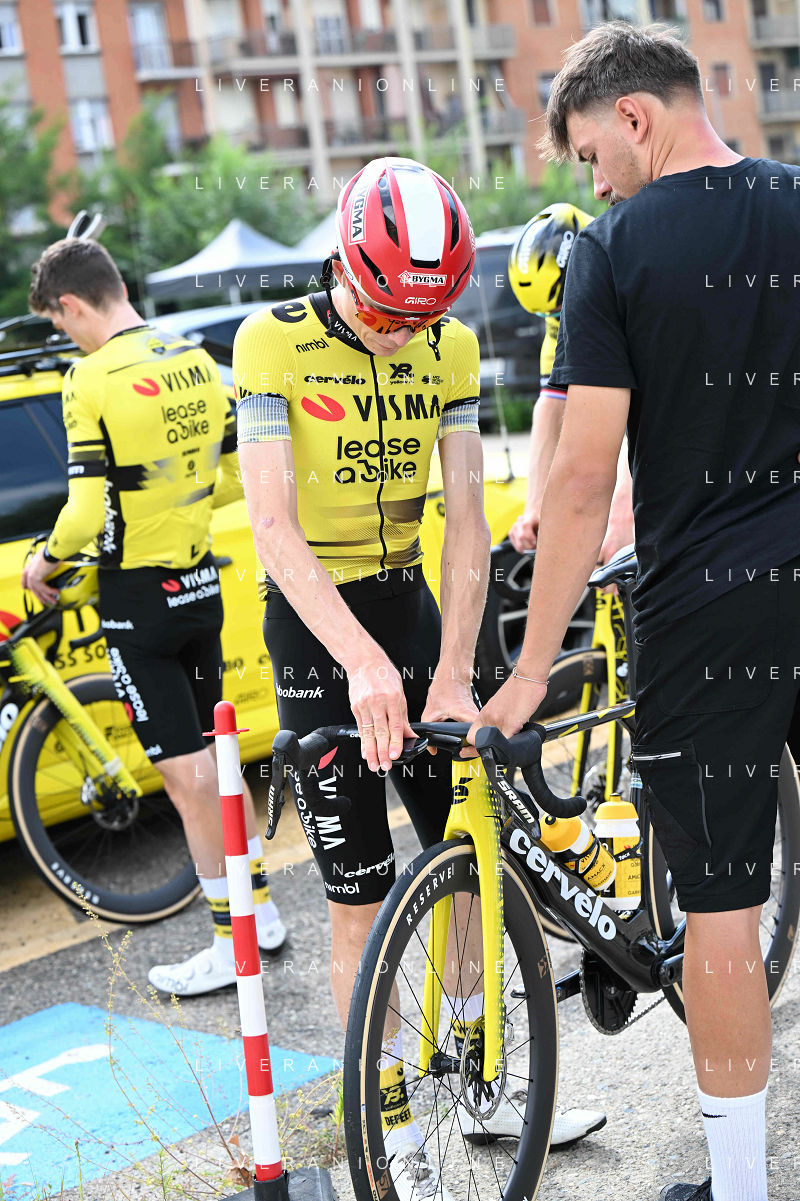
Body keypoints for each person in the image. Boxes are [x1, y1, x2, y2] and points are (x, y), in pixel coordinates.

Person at [470, 22, 800, 1201]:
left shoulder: (612, 252)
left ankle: (739, 1187)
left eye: (585, 155)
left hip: (708, 612)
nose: (592, 182)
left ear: (633, 117)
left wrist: (527, 671)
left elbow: (576, 480)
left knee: (719, 907)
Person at [233, 156, 605, 1194]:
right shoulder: (269, 341)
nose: (405, 334)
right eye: (387, 314)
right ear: (345, 264)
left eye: (423, 317)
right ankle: (393, 1127)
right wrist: (358, 660)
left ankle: (483, 1085)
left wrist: (449, 671)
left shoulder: (450, 346)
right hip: (316, 628)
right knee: (357, 897)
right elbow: (271, 526)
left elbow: (467, 523)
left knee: (467, 855)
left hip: (412, 607)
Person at [24, 237, 285, 996]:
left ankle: (228, 941)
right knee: (219, 761)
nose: (67, 337)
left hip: (138, 601)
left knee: (185, 779)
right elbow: (235, 475)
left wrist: (45, 560)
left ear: (72, 304)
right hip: (200, 585)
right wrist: (175, 499)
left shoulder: (89, 378)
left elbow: (84, 512)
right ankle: (262, 913)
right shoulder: (195, 358)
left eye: (60, 324)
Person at [506, 204, 634, 563]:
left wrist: (624, 508)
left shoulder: (630, 287)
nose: (561, 321)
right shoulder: (559, 321)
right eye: (549, 314)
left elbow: (656, 414)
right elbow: (551, 407)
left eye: (563, 308)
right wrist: (535, 505)